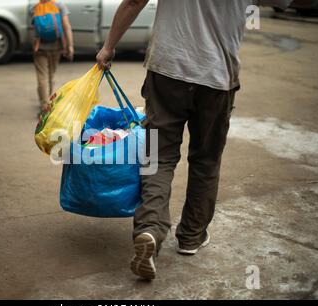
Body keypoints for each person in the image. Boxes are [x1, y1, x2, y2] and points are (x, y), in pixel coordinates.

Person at [96, 0, 292, 280]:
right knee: (206, 161)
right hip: (217, 77)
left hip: (167, 69)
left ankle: (150, 230)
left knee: (158, 157)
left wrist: (109, 46)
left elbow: (135, 1)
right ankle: (191, 236)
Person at [30, 0, 74, 113]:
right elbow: (66, 26)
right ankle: (48, 102)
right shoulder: (59, 5)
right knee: (50, 74)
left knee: (42, 76)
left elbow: (34, 29)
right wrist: (70, 46)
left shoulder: (35, 7)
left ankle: (44, 105)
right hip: (56, 46)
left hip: (39, 47)